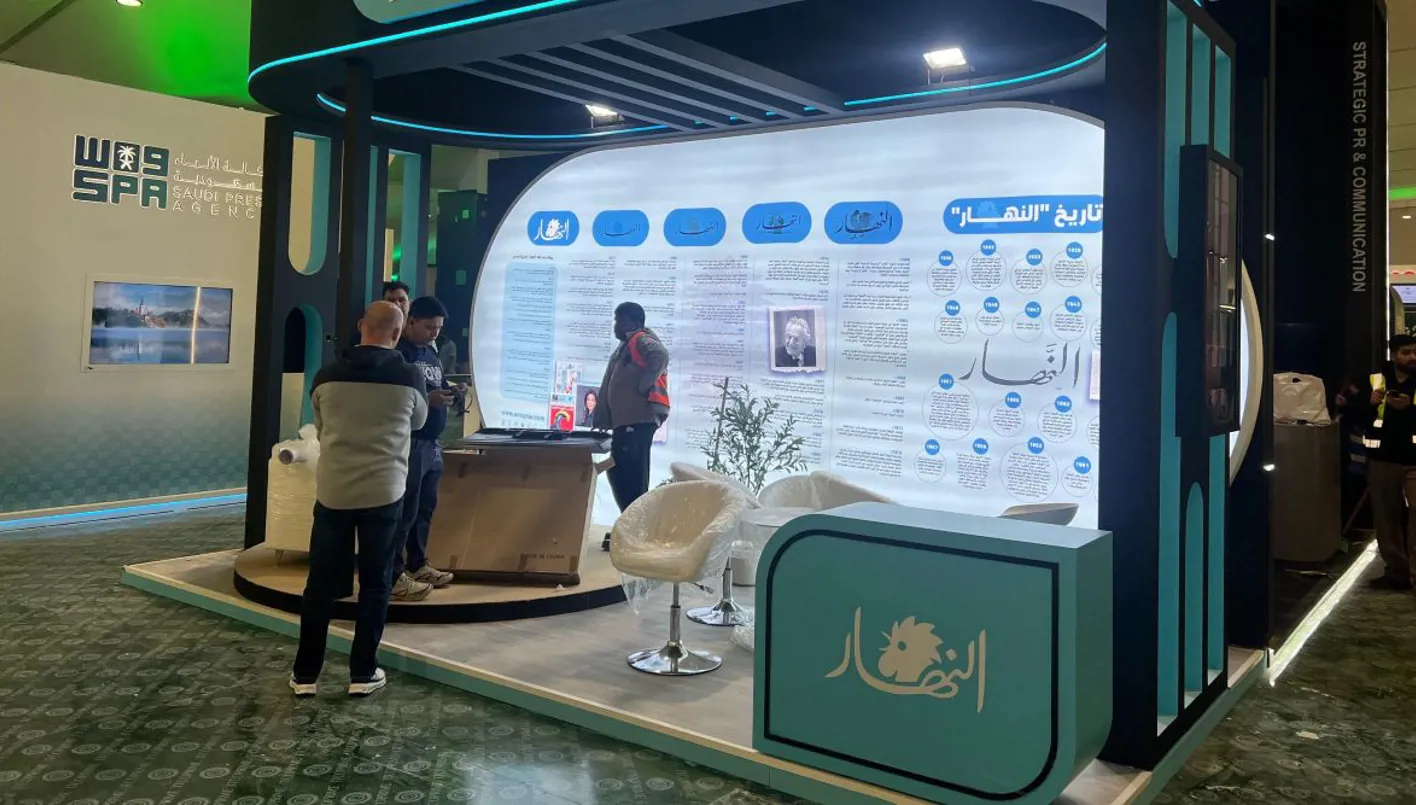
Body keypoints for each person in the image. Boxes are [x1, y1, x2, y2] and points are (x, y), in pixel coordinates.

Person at [290, 301, 428, 698]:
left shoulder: (327, 375)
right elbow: (418, 422)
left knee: (319, 584)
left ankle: (305, 675)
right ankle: (363, 673)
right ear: (398, 333)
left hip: (334, 492)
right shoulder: (409, 376)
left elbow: (320, 426)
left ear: (360, 326)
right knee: (375, 583)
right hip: (384, 492)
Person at [391, 296, 468, 600]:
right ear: (410, 322)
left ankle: (418, 564)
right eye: (428, 327)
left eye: (438, 328)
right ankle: (394, 573)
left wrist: (452, 390)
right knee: (405, 510)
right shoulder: (399, 355)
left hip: (433, 443)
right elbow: (399, 398)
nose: (434, 333)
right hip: (410, 442)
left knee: (425, 508)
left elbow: (437, 384)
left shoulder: (430, 353)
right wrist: (428, 400)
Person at [594, 302, 670, 549]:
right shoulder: (626, 345)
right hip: (627, 423)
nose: (616, 325)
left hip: (637, 423)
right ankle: (630, 528)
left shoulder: (639, 339)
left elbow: (660, 355)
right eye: (616, 320)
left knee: (631, 478)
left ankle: (635, 534)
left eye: (621, 320)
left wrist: (643, 385)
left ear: (635, 322)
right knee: (620, 473)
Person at [1359, 334, 1416, 591]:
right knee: (1386, 516)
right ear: (1394, 355)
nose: (1412, 357)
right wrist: (1369, 403)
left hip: (1414, 458)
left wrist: (1410, 408)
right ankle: (1397, 573)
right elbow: (1356, 412)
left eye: (1415, 352)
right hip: (1383, 459)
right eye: (1406, 352)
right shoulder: (1376, 380)